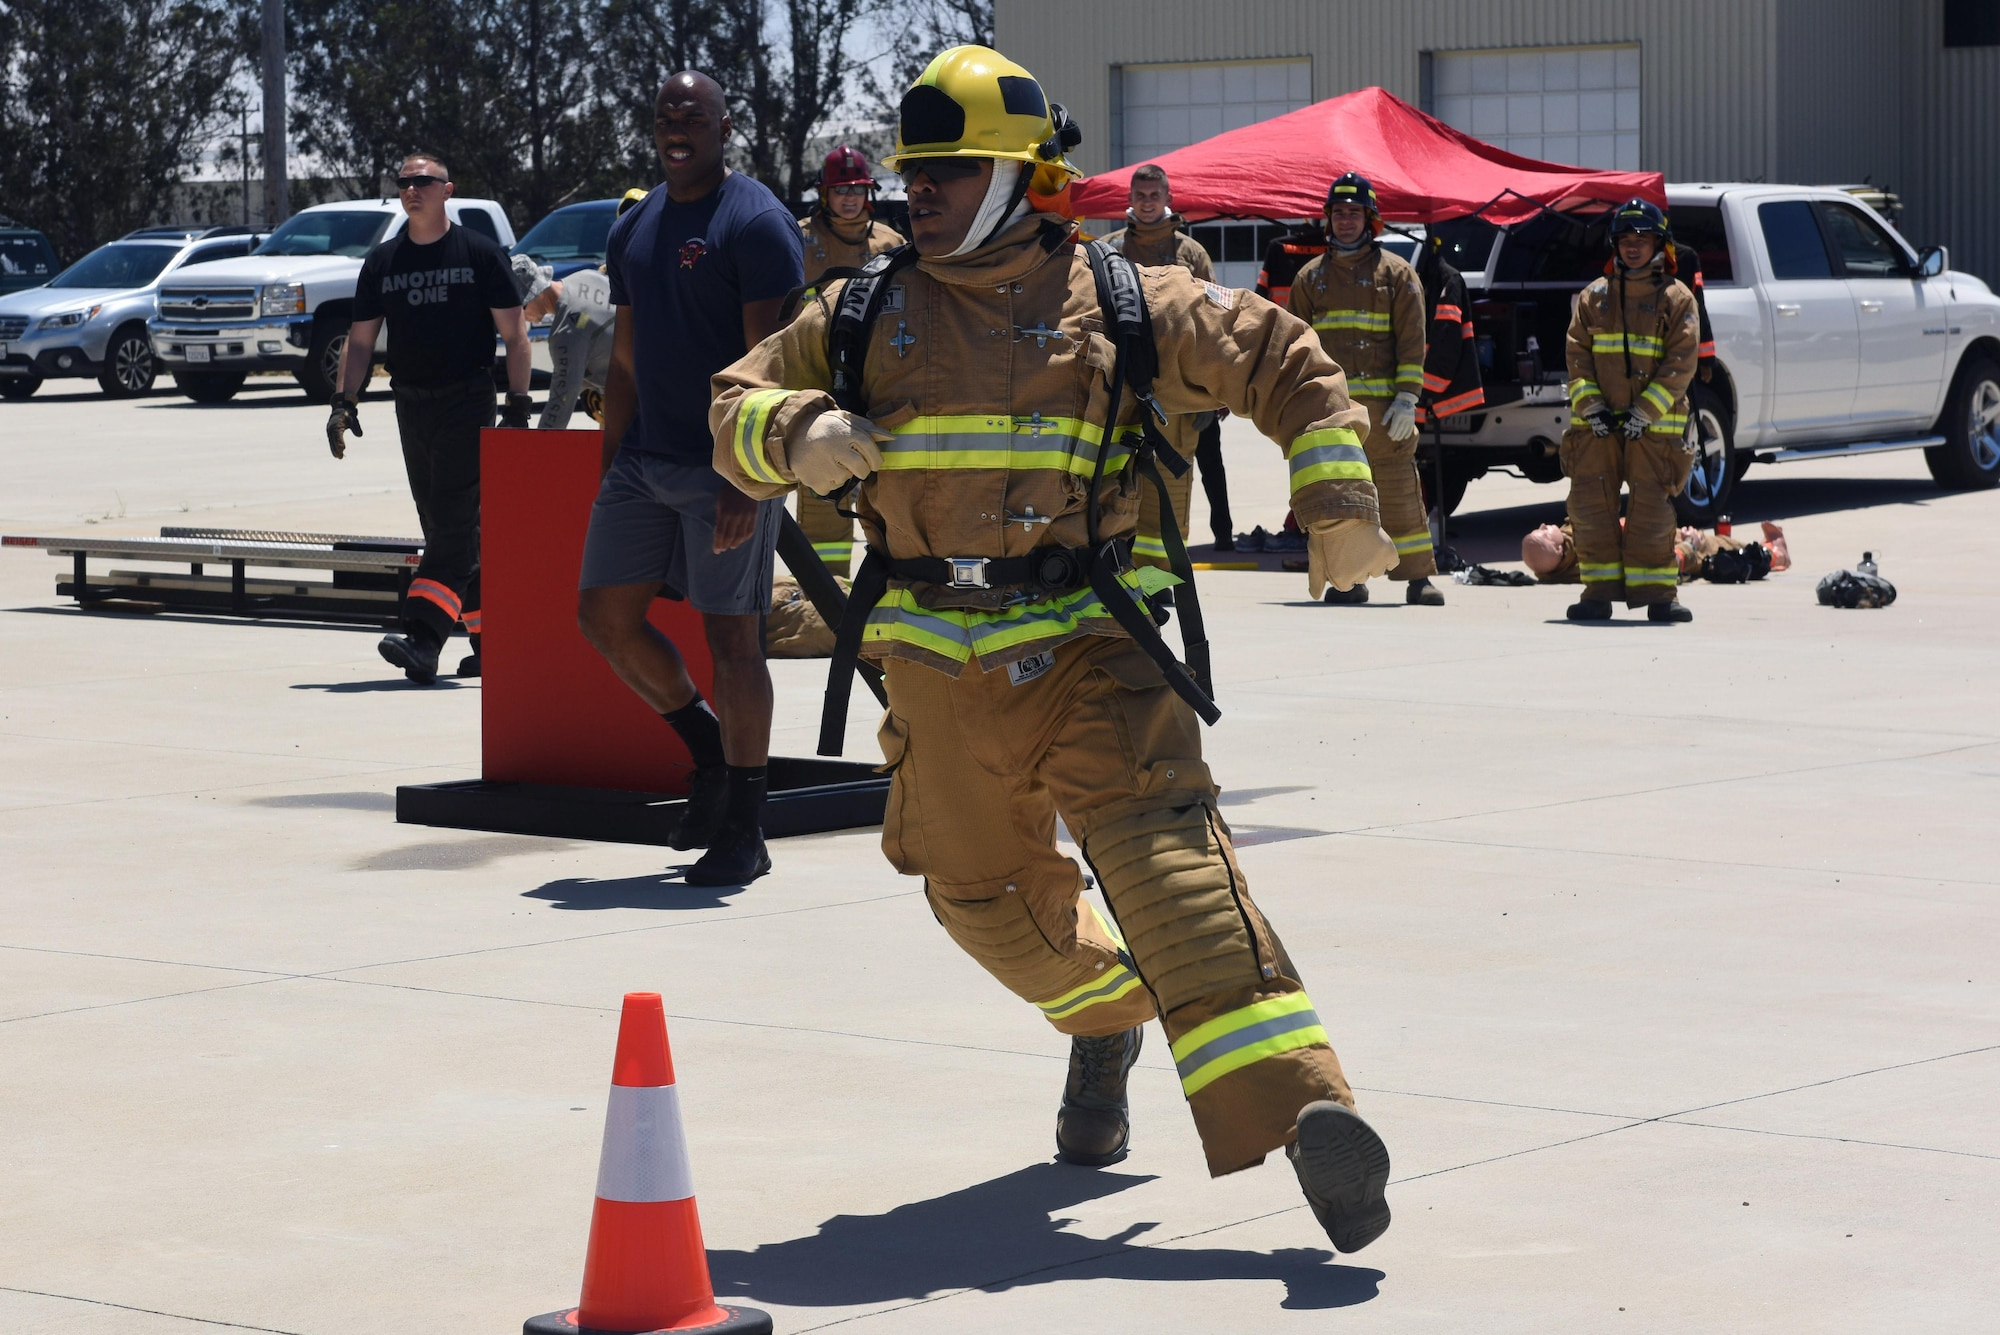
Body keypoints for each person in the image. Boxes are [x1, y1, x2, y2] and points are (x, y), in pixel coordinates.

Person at [710, 45, 1399, 1254]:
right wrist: (796, 426)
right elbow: (731, 405)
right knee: (983, 908)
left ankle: (1313, 1129)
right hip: (936, 677)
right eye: (908, 172)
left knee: (1177, 885)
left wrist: (1336, 500)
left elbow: (1285, 358)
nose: (909, 193)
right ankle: (1104, 1023)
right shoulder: (862, 307)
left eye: (945, 171)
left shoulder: (1127, 300)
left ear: (1028, 179)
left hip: (1094, 655)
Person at [574, 72, 805, 887]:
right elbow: (625, 357)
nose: (679, 128)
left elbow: (771, 369)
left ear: (723, 126)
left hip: (723, 467)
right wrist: (609, 459)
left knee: (732, 643)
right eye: (667, 116)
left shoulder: (757, 223)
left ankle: (746, 826)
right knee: (603, 618)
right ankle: (711, 760)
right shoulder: (635, 226)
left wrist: (749, 477)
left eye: (695, 117)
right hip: (643, 460)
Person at [328, 152, 531, 683]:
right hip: (410, 403)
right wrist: (342, 404)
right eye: (405, 182)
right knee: (446, 526)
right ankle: (497, 643)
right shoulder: (383, 262)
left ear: (448, 190)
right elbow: (361, 341)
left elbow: (515, 337)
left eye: (423, 181)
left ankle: (423, 638)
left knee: (452, 520)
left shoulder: (482, 254)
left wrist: (517, 405)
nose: (412, 189)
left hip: (467, 399)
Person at [1288, 173, 1441, 606]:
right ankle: (1348, 580)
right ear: (1328, 220)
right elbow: (1296, 344)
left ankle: (1418, 578)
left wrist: (1408, 398)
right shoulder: (1309, 279)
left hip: (1385, 413)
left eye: (1355, 213)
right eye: (1339, 213)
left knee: (1399, 494)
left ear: (1371, 220)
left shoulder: (1398, 274)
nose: (1346, 221)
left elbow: (1413, 339)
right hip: (1331, 415)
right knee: (1341, 501)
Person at [1561, 198, 1702, 624]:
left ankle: (1659, 596)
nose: (1633, 247)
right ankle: (1597, 593)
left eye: (1642, 239)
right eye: (1625, 239)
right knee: (1590, 505)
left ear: (1661, 244)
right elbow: (1577, 357)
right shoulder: (1594, 298)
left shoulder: (1677, 299)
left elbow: (1681, 363)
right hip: (1597, 427)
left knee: (1651, 509)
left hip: (1654, 429)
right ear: (1615, 244)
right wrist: (1591, 407)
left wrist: (1644, 411)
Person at [1103, 164, 1231, 564]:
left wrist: (1214, 395)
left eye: (1153, 195)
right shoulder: (1109, 250)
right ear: (1129, 198)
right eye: (1139, 195)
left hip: (1175, 392)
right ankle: (1123, 575)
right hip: (1116, 387)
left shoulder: (1191, 255)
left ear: (1167, 198)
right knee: (1116, 483)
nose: (1146, 202)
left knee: (1172, 488)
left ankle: (1160, 581)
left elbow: (1215, 323)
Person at [795, 146, 903, 576]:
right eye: (839, 190)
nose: (849, 198)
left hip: (877, 377)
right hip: (817, 373)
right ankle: (824, 594)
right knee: (824, 481)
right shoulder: (801, 240)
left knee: (888, 479)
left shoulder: (889, 243)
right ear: (824, 194)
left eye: (856, 189)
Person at [511, 188, 648, 430]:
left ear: (531, 295)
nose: (521, 318)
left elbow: (560, 402)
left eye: (518, 309)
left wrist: (538, 454)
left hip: (638, 408)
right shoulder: (586, 276)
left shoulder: (567, 331)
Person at [1523, 520, 1789, 583]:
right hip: (1671, 549)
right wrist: (1689, 546)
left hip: (1650, 533)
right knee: (1719, 547)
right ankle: (1774, 553)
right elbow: (1664, 565)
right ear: (1558, 550)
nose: (1544, 525)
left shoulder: (1567, 544)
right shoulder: (1592, 558)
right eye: (1543, 533)